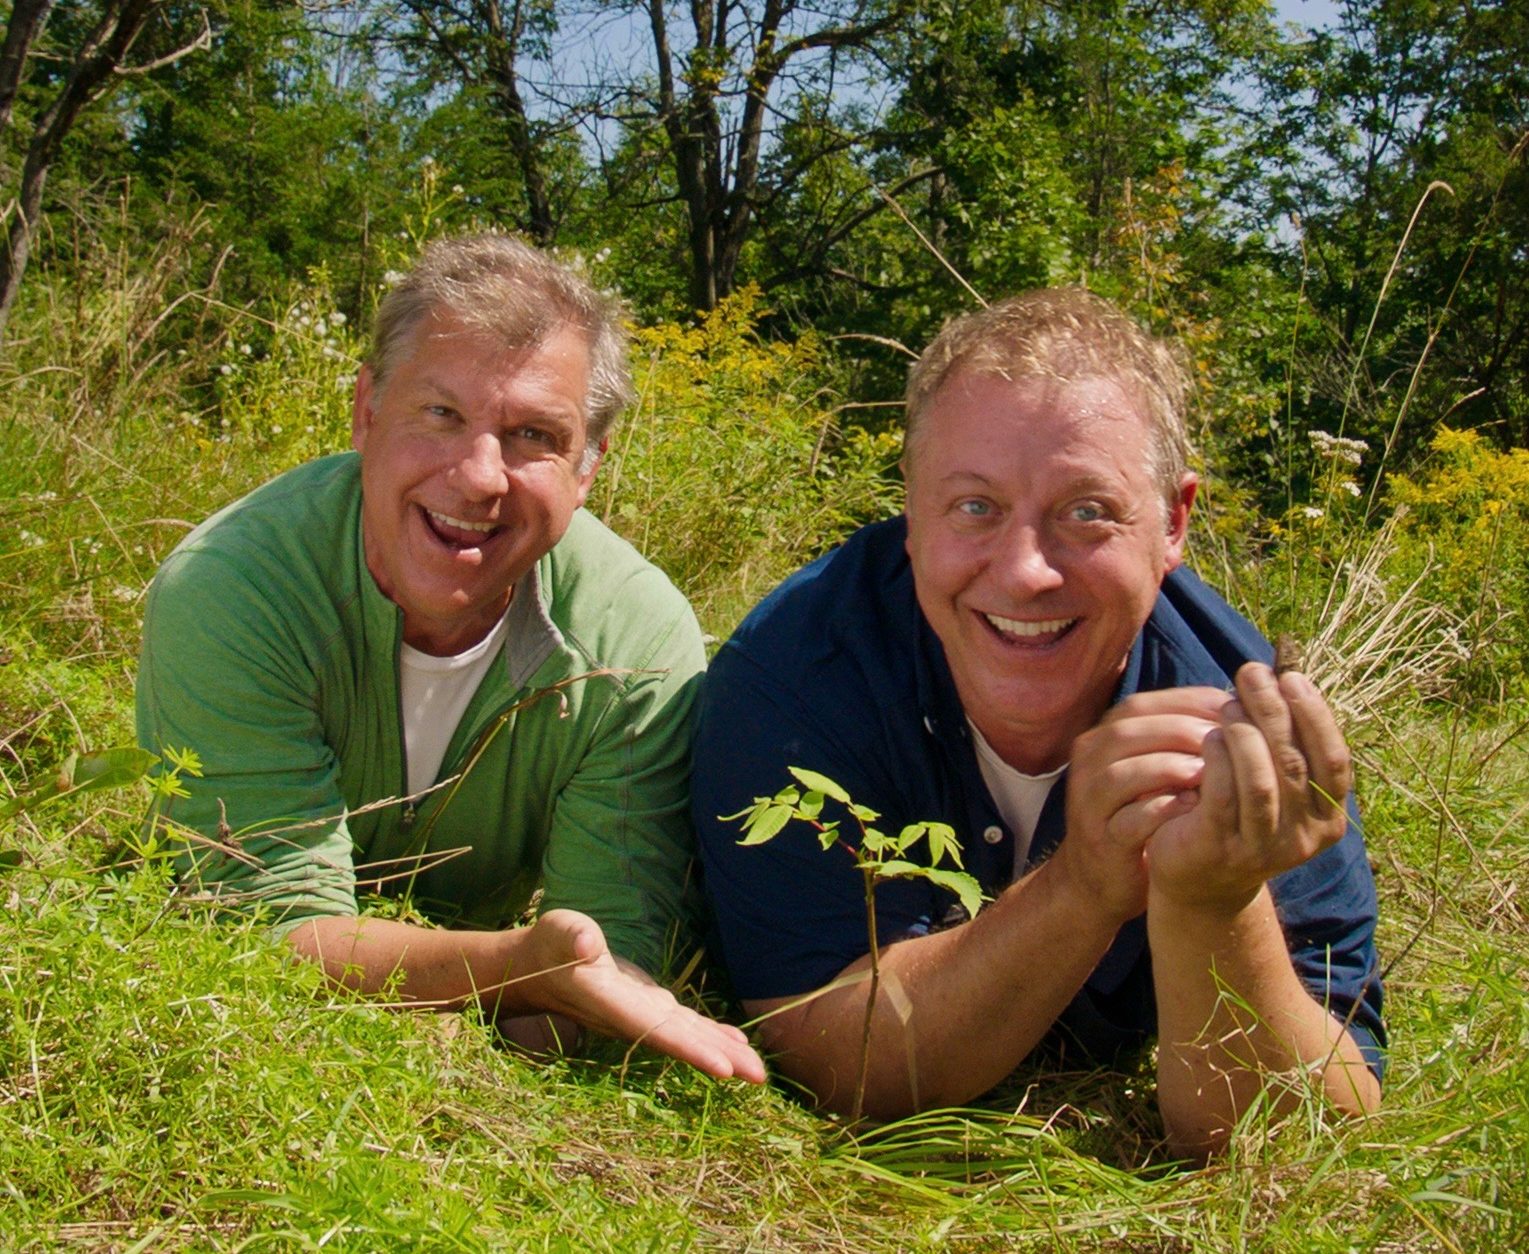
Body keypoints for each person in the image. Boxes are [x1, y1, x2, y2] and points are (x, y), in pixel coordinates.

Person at [692, 289, 1383, 1155]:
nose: (1025, 572)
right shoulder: (796, 675)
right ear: (910, 512)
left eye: (1085, 511)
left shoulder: (1243, 726)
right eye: (974, 507)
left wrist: (1214, 898)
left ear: (1172, 522)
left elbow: (1309, 1134)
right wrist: (1084, 885)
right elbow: (832, 1058)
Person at [137, 232, 763, 1085]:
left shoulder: (636, 643)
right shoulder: (234, 587)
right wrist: (517, 971)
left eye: (533, 435)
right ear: (366, 411)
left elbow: (608, 954)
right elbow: (265, 925)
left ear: (587, 469)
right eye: (441, 414)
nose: (478, 477)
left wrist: (549, 1009)